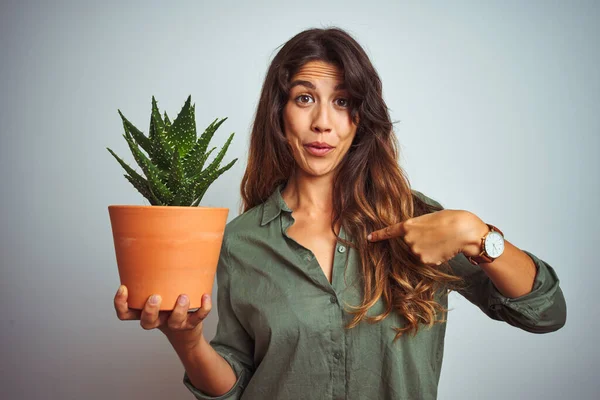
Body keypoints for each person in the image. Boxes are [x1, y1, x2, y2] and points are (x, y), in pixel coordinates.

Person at [114, 27, 567, 399]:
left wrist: (477, 234)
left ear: (362, 116)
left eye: (344, 101)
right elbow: (239, 383)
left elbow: (545, 314)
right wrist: (187, 341)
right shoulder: (240, 241)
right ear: (280, 114)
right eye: (305, 98)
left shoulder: (420, 223)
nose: (323, 124)